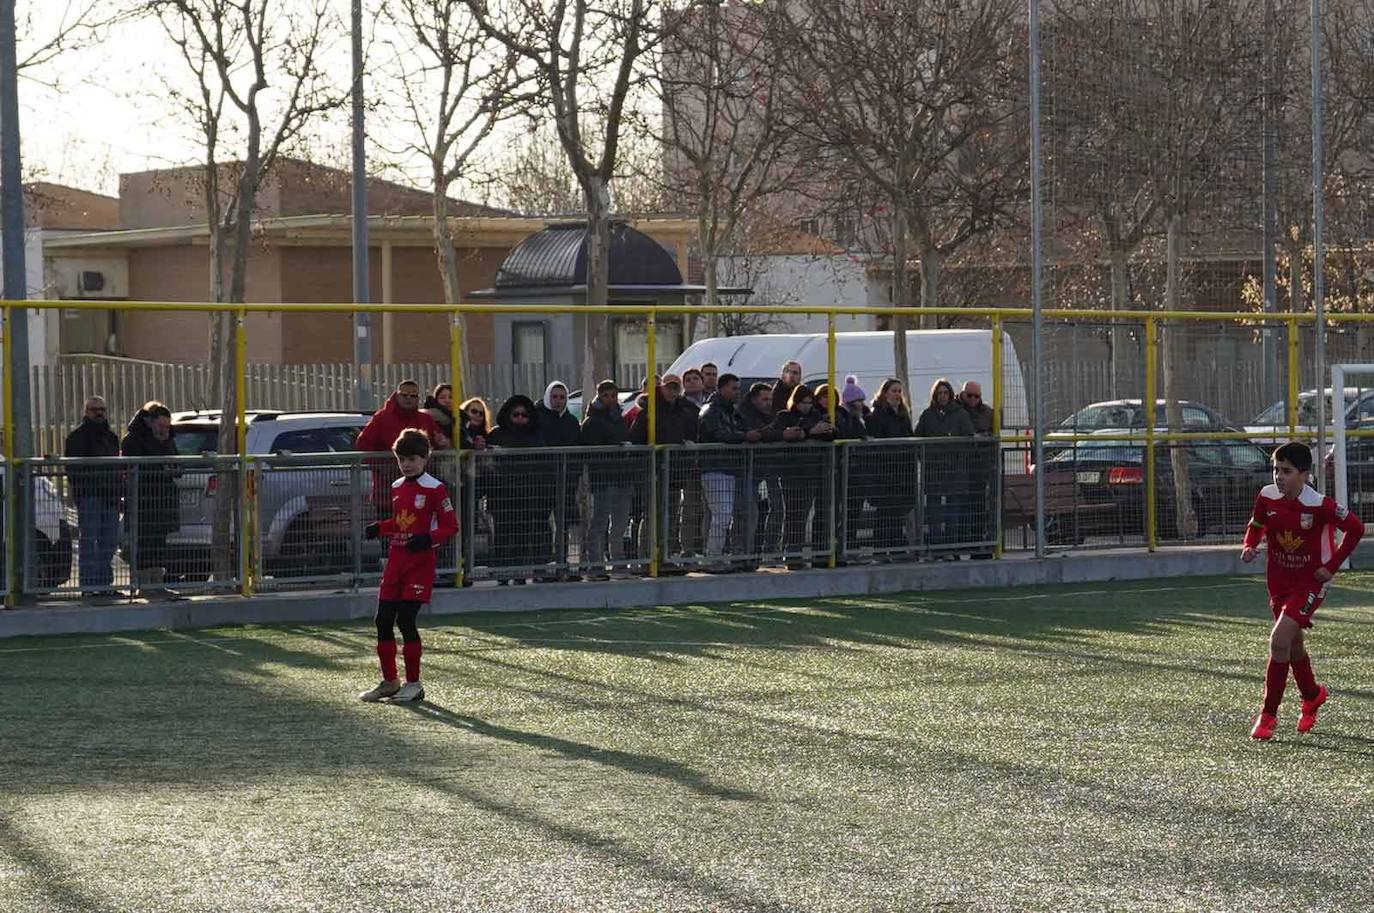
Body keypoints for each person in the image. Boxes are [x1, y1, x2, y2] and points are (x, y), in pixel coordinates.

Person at [1241, 442, 1363, 740]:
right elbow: (1256, 524)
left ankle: (1268, 715)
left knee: (1279, 639)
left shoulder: (1319, 504)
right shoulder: (1267, 496)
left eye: (1286, 471)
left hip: (1310, 583)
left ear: (1304, 475)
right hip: (1279, 582)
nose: (1279, 477)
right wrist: (1249, 544)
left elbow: (1356, 528)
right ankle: (1312, 695)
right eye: (1276, 470)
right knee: (1292, 645)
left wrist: (1331, 567)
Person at [359, 429, 459, 704]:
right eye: (402, 459)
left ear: (425, 458)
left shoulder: (435, 489)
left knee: (405, 620)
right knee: (381, 621)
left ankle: (414, 684)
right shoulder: (397, 486)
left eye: (413, 458)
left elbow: (451, 526)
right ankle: (390, 681)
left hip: (419, 564)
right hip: (395, 561)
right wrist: (380, 528)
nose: (407, 464)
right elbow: (401, 522)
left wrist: (428, 539)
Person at [630, 373, 700, 565]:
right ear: (661, 388)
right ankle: (646, 557)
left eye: (676, 387)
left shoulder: (683, 410)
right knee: (652, 515)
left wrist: (686, 444)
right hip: (654, 470)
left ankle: (665, 556)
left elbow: (691, 431)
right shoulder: (650, 409)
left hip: (675, 471)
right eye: (668, 387)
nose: (672, 391)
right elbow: (636, 437)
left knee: (670, 515)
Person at [697, 374, 759, 567]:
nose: (737, 392)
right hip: (714, 468)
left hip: (732, 468)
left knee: (730, 515)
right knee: (721, 515)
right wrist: (744, 436)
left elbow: (744, 428)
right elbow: (719, 434)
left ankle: (729, 555)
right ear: (721, 388)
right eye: (734, 388)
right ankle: (712, 556)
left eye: (738, 388)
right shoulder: (711, 410)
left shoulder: (733, 411)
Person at [356, 380, 447, 509]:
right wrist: (382, 466)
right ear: (397, 396)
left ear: (418, 398)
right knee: (389, 528)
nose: (408, 398)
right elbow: (362, 445)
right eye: (404, 395)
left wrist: (443, 444)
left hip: (420, 494)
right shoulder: (381, 418)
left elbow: (441, 444)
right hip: (388, 493)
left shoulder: (425, 419)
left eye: (413, 395)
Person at [486, 394, 549, 583]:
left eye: (524, 415)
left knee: (523, 535)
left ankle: (520, 573)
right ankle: (503, 574)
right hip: (502, 495)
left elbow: (542, 465)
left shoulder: (535, 436)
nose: (520, 419)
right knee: (503, 534)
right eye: (516, 415)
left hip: (527, 495)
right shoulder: (497, 434)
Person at [773, 385, 836, 568]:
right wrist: (809, 432)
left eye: (809, 402)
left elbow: (830, 433)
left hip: (811, 472)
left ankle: (796, 553)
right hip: (791, 472)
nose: (807, 406)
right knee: (794, 514)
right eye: (803, 402)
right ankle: (791, 554)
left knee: (803, 514)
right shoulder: (784, 416)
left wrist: (822, 429)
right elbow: (790, 434)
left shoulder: (817, 416)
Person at [120, 401, 180, 590]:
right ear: (151, 422)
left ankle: (157, 583)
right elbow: (140, 467)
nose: (164, 430)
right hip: (143, 501)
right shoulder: (133, 439)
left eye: (167, 427)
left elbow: (176, 463)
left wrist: (172, 466)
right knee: (143, 543)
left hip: (163, 501)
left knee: (159, 543)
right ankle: (143, 583)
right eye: (161, 426)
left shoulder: (168, 439)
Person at [65, 396, 122, 593]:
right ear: (86, 412)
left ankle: (105, 584)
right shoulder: (76, 437)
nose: (99, 412)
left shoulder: (111, 437)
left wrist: (117, 489)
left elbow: (118, 467)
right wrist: (84, 491)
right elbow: (73, 470)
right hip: (89, 496)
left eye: (102, 409)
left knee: (109, 542)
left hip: (111, 497)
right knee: (89, 540)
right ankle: (89, 584)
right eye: (94, 409)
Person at [579, 380, 634, 580]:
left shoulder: (618, 417)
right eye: (606, 396)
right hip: (603, 479)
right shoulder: (592, 420)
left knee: (620, 524)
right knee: (599, 522)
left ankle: (619, 563)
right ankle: (595, 565)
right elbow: (591, 452)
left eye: (613, 395)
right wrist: (614, 449)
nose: (610, 399)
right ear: (599, 396)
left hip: (622, 477)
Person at [915, 378, 975, 557]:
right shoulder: (927, 415)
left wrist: (954, 454)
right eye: (939, 393)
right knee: (933, 510)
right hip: (933, 470)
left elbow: (969, 438)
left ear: (950, 395)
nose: (942, 396)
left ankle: (951, 548)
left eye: (945, 393)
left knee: (952, 511)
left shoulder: (960, 414)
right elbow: (918, 437)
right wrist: (925, 457)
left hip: (954, 470)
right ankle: (935, 548)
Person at [537, 381, 582, 580]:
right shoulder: (538, 419)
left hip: (566, 482)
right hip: (544, 481)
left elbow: (577, 450)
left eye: (562, 397)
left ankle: (564, 565)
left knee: (565, 525)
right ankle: (542, 567)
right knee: (542, 524)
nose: (558, 401)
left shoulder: (571, 421)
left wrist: (574, 475)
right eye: (554, 397)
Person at [864, 379, 915, 554]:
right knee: (885, 512)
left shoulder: (903, 415)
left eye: (899, 391)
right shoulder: (877, 415)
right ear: (884, 393)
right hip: (884, 472)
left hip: (901, 471)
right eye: (894, 391)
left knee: (896, 511)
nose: (897, 395)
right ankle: (881, 548)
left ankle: (895, 548)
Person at [739, 382, 784, 559]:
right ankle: (748, 552)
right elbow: (757, 433)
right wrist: (779, 434)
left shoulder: (770, 415)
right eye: (764, 399)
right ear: (754, 399)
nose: (768, 402)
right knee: (750, 513)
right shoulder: (744, 414)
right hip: (750, 469)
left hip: (768, 467)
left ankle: (768, 550)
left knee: (776, 508)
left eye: (770, 399)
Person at [960, 381, 997, 558]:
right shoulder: (956, 410)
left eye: (977, 396)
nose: (973, 399)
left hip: (979, 467)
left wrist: (984, 437)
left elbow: (992, 434)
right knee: (960, 507)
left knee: (978, 507)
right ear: (963, 394)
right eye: (970, 395)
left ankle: (978, 546)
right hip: (959, 468)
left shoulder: (987, 413)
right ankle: (958, 546)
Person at [421, 383, 458, 448]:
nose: (447, 400)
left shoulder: (460, 417)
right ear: (436, 400)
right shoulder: (431, 416)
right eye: (442, 398)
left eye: (451, 397)